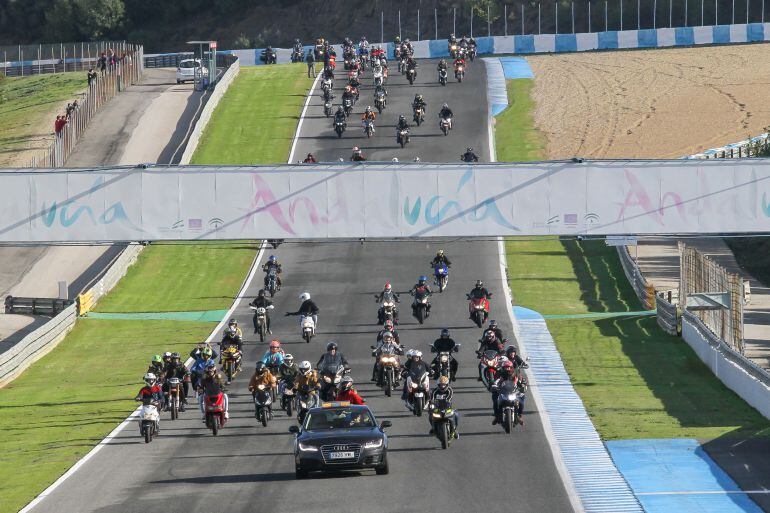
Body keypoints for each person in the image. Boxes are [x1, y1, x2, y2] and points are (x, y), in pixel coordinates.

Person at [491, 361, 528, 426]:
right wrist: (494, 386)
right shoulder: (499, 373)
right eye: (505, 367)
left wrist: (523, 385)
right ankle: (497, 416)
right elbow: (495, 381)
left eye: (508, 367)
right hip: (502, 392)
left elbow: (522, 381)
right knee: (495, 401)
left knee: (521, 400)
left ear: (511, 367)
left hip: (514, 392)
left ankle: (519, 416)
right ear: (503, 368)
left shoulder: (516, 374)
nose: (507, 369)